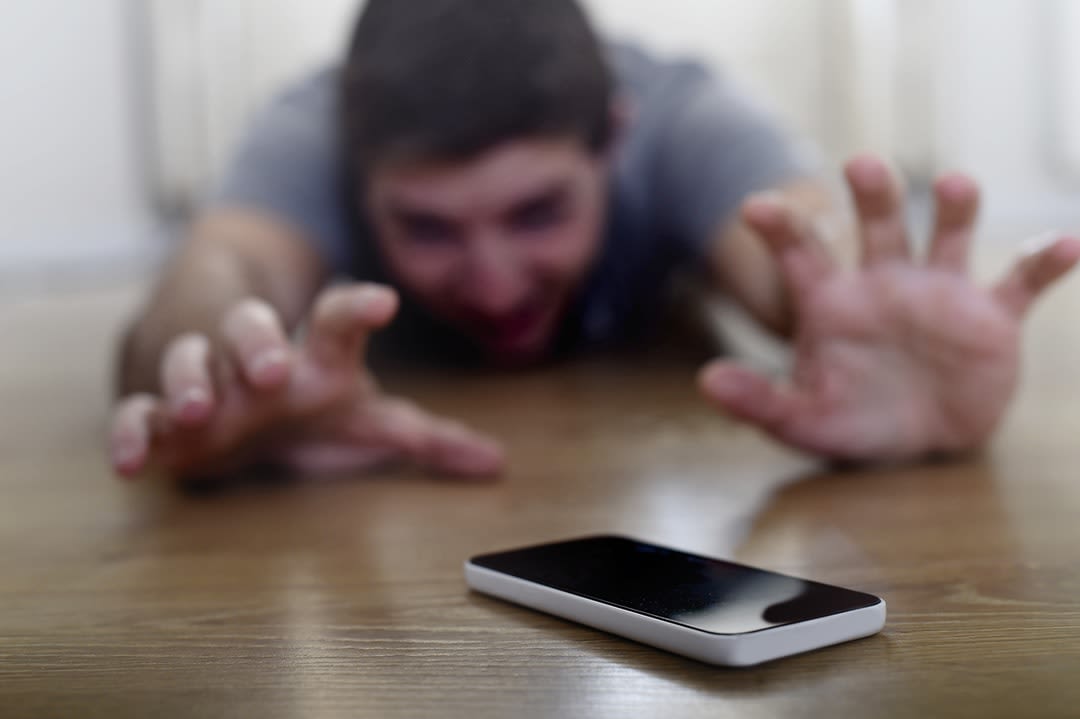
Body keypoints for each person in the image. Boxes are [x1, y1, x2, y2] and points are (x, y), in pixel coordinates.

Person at [109, 0, 1080, 480]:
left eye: (537, 214)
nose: (492, 284)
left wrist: (840, 317)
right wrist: (206, 379)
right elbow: (217, 272)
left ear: (614, 136)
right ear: (356, 169)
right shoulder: (312, 126)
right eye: (430, 226)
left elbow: (792, 248)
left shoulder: (685, 113)